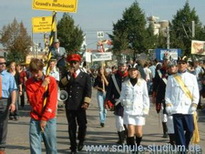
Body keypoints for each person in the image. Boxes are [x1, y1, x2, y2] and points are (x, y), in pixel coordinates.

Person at [165, 56, 199, 152]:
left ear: (187, 65)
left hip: (188, 108)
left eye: (183, 63)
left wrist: (194, 104)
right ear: (177, 65)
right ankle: (182, 150)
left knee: (190, 130)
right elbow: (168, 93)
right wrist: (168, 104)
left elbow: (195, 92)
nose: (181, 65)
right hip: (176, 108)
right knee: (179, 131)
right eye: (179, 63)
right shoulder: (171, 78)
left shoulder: (192, 77)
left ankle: (185, 146)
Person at [60, 54, 92, 154]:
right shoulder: (67, 74)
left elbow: (88, 90)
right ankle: (73, 146)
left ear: (79, 63)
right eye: (71, 63)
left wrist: (86, 102)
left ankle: (81, 140)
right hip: (70, 104)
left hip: (80, 105)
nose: (73, 65)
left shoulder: (85, 76)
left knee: (82, 125)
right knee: (71, 126)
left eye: (75, 62)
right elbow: (61, 84)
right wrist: (69, 75)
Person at [25, 58, 58, 154]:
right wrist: (42, 86)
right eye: (33, 73)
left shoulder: (51, 81)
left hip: (49, 119)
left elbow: (52, 101)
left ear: (42, 69)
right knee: (35, 149)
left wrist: (44, 118)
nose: (35, 75)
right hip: (35, 118)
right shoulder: (29, 83)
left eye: (37, 72)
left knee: (51, 148)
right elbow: (33, 102)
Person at [119, 64, 150, 151]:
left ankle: (138, 144)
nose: (133, 72)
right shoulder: (125, 83)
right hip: (129, 110)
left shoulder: (143, 82)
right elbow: (122, 96)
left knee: (139, 132)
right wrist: (124, 101)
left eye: (134, 70)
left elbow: (145, 96)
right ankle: (133, 149)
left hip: (139, 110)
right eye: (131, 70)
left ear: (137, 72)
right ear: (128, 72)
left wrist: (146, 109)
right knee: (131, 131)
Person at [105, 60, 129, 145]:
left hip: (129, 103)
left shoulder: (131, 76)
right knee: (119, 121)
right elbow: (109, 90)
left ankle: (128, 136)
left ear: (126, 67)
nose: (121, 67)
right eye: (120, 65)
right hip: (118, 102)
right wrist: (107, 100)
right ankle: (121, 139)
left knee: (128, 122)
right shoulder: (114, 77)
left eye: (123, 65)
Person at [0, 56, 17, 154]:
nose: (3, 65)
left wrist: (13, 103)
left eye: (4, 63)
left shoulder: (9, 76)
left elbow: (13, 90)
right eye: (0, 63)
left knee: (3, 125)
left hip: (4, 101)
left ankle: (1, 147)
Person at [152, 56, 170, 138]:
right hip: (161, 95)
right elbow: (155, 84)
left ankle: (172, 131)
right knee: (164, 113)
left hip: (172, 96)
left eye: (168, 60)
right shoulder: (159, 71)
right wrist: (154, 95)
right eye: (166, 60)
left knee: (171, 115)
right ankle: (165, 131)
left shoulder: (174, 71)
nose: (167, 62)